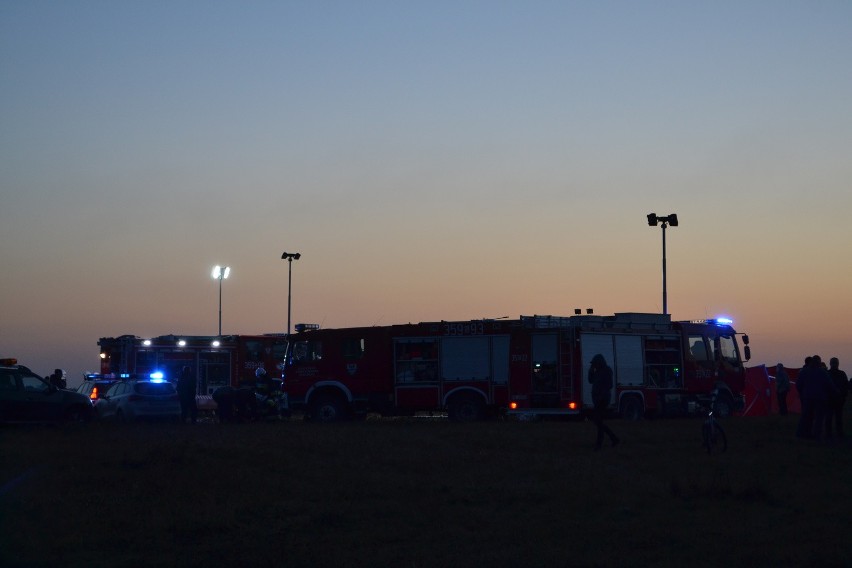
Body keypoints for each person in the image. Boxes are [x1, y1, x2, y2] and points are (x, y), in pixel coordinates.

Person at [588, 354, 620, 450]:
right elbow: (590, 380)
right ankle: (613, 438)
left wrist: (601, 394)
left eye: (595, 364)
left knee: (598, 421)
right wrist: (590, 370)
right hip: (598, 399)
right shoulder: (597, 372)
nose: (594, 365)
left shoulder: (606, 371)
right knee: (598, 421)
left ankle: (600, 444)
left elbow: (609, 385)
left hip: (602, 399)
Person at [826, 357, 848, 439]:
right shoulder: (842, 374)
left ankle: (829, 434)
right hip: (838, 399)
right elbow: (846, 386)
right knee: (837, 417)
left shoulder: (827, 373)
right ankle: (839, 433)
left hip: (832, 399)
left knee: (830, 417)